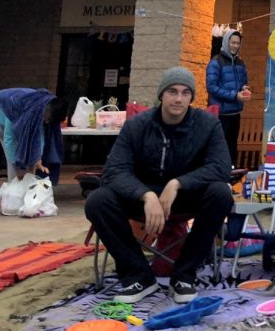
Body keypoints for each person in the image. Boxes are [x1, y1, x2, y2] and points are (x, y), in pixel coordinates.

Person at [84, 67, 232, 305]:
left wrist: (177, 184)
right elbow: (114, 170)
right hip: (142, 198)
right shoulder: (137, 126)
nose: (178, 98)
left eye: (185, 93)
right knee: (98, 200)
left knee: (221, 193)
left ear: (191, 98)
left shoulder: (207, 124)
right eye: (172, 91)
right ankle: (138, 276)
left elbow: (221, 167)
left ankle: (184, 275)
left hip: (185, 196)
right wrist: (146, 194)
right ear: (161, 94)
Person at [0, 89, 66, 201]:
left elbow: (39, 135)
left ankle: (13, 198)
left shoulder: (41, 107)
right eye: (48, 119)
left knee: (14, 157)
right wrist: (18, 167)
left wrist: (37, 159)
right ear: (46, 111)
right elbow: (9, 139)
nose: (47, 122)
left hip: (6, 120)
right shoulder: (20, 107)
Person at [206, 28, 250, 165]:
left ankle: (231, 176)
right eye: (233, 42)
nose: (235, 46)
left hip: (235, 113)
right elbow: (211, 87)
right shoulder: (216, 62)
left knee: (232, 148)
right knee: (220, 148)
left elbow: (243, 82)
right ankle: (220, 177)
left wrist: (244, 89)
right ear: (226, 42)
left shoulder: (240, 62)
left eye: (238, 43)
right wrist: (234, 95)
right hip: (221, 114)